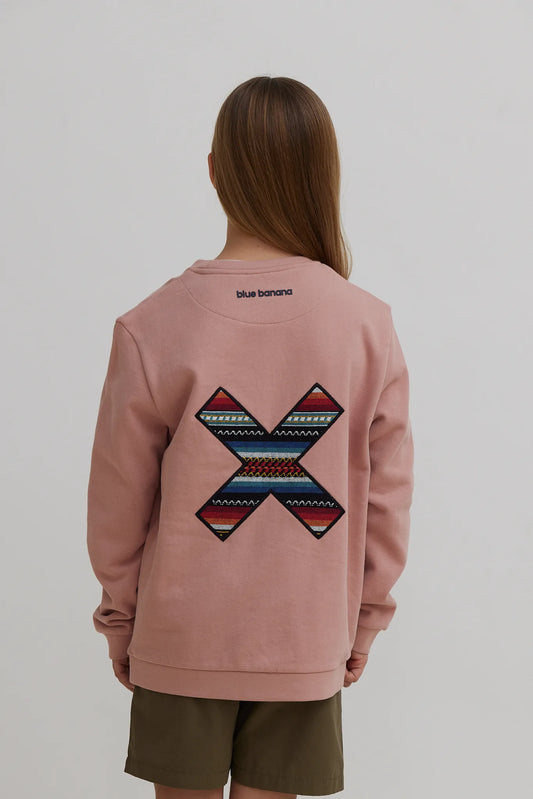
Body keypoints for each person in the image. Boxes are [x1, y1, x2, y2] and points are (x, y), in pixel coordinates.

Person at [86, 75, 415, 799]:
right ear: (322, 173)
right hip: (306, 632)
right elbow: (388, 500)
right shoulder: (366, 323)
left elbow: (116, 501)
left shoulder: (151, 324)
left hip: (181, 635)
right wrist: (365, 620)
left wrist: (121, 619)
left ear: (214, 170)